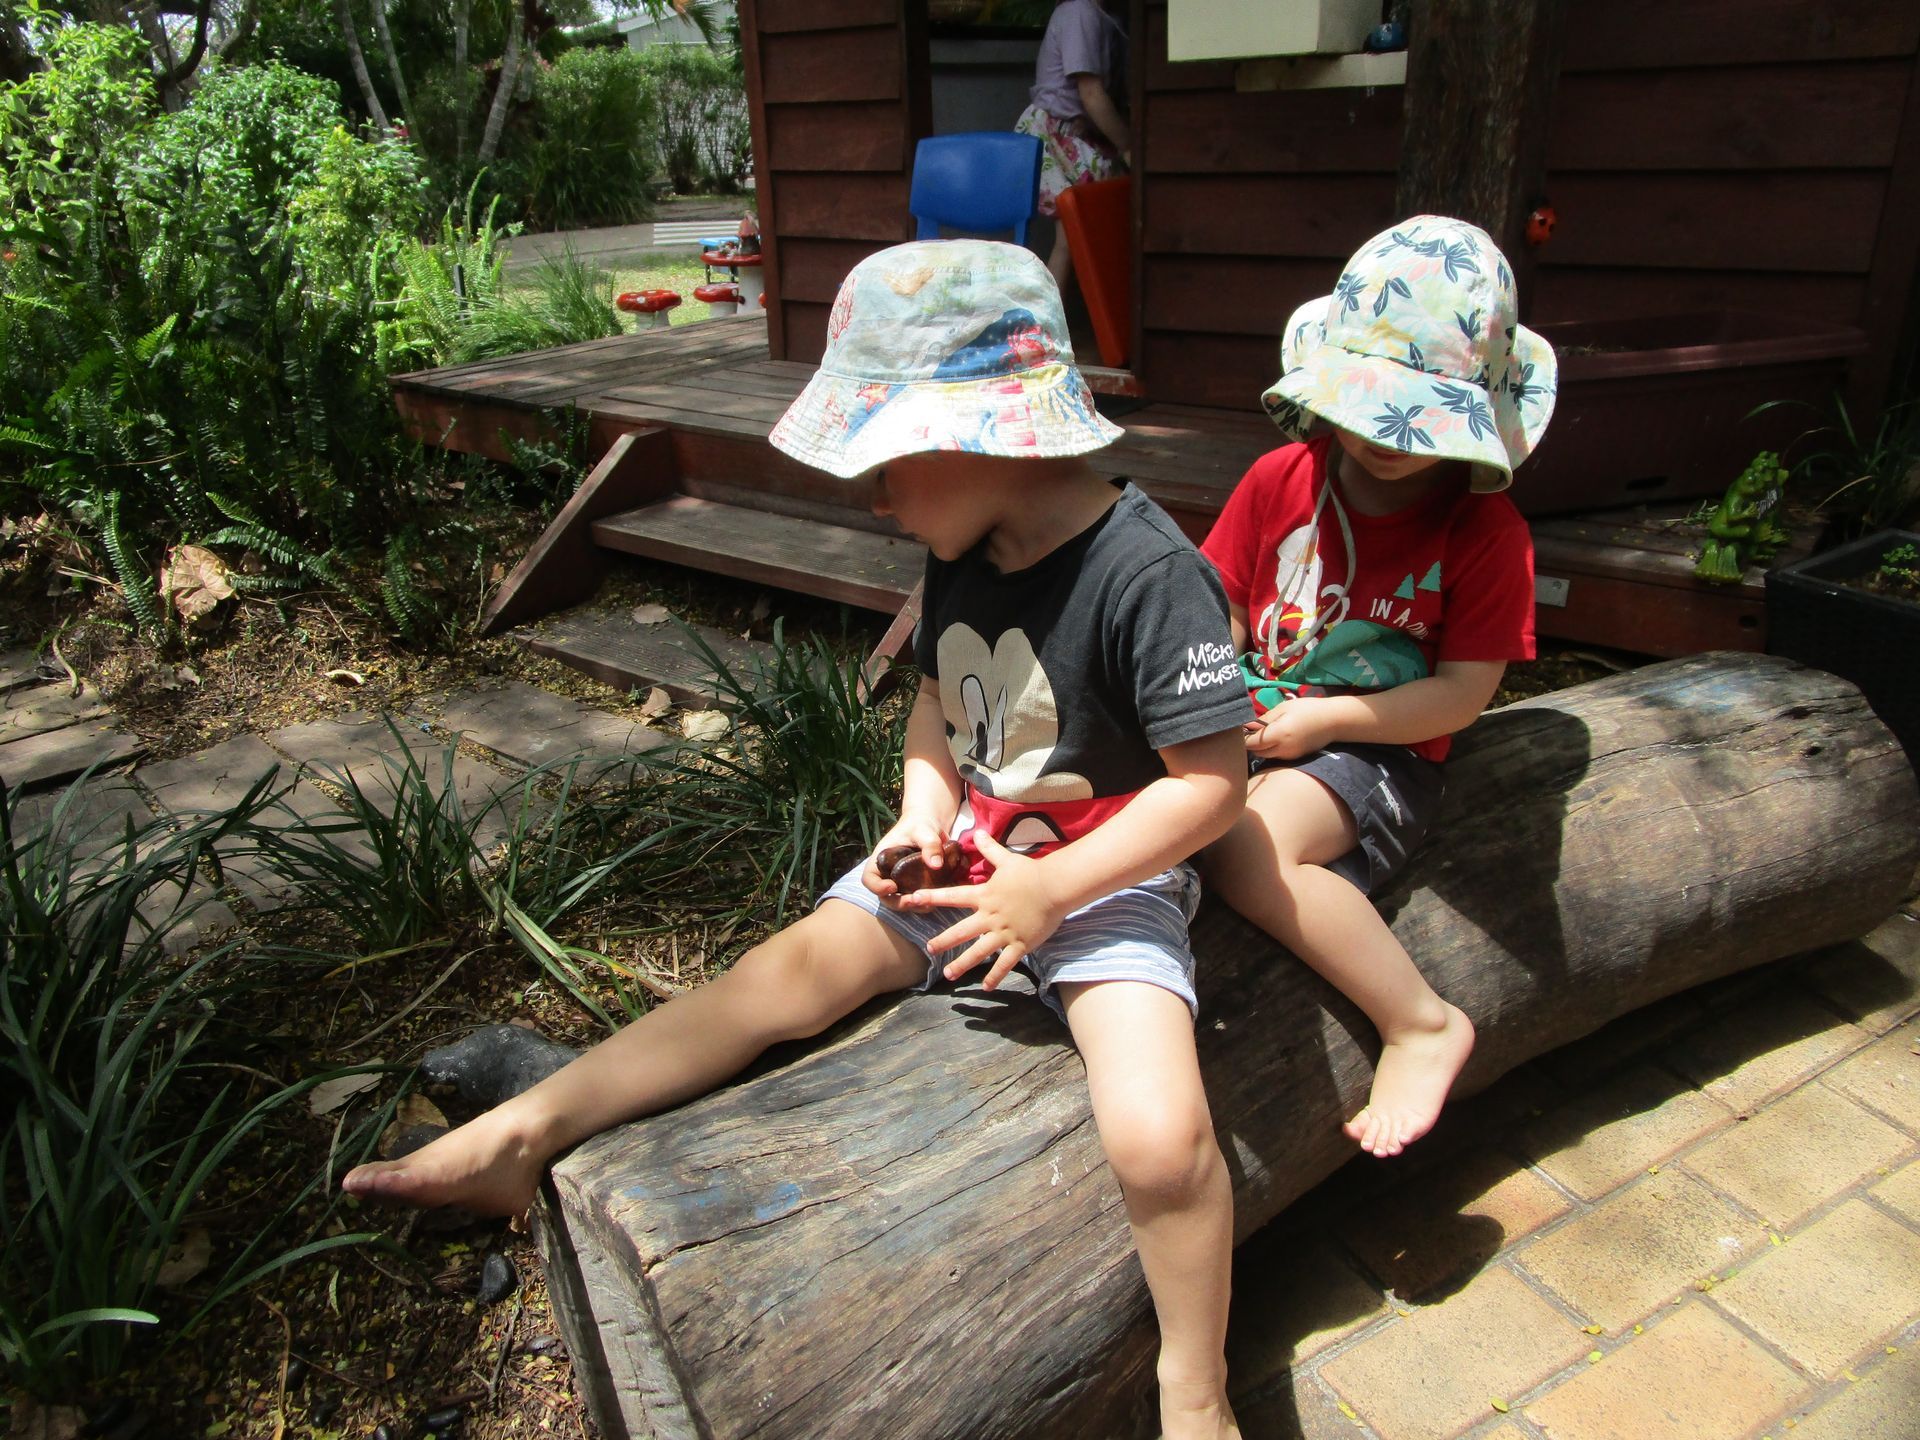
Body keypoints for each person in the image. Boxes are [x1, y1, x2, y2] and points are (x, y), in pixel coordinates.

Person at [343, 239, 1254, 1440]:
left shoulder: (1150, 576)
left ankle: (1196, 1382)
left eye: (884, 463)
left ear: (984, 434)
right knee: (775, 981)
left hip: (1103, 885)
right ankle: (527, 1130)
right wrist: (922, 812)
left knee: (1159, 1136)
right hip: (968, 862)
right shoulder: (959, 556)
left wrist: (1057, 890)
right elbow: (939, 710)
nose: (869, 496)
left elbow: (1212, 788)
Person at [1199, 215, 1558, 1159]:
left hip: (1378, 746)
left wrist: (1329, 721)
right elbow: (1220, 606)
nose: (1384, 436)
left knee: (1244, 847)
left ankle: (1420, 1021)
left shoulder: (1485, 535)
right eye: (1365, 401)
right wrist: (1207, 690)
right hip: (1255, 716)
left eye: (1417, 413)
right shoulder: (1283, 477)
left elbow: (1462, 694)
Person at [1015, 0, 1129, 288]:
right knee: (1101, 216)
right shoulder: (1080, 12)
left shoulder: (1107, 15)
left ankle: (1049, 321)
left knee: (1069, 235)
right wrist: (1128, 146)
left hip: (1078, 128)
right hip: (1058, 133)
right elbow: (1090, 93)